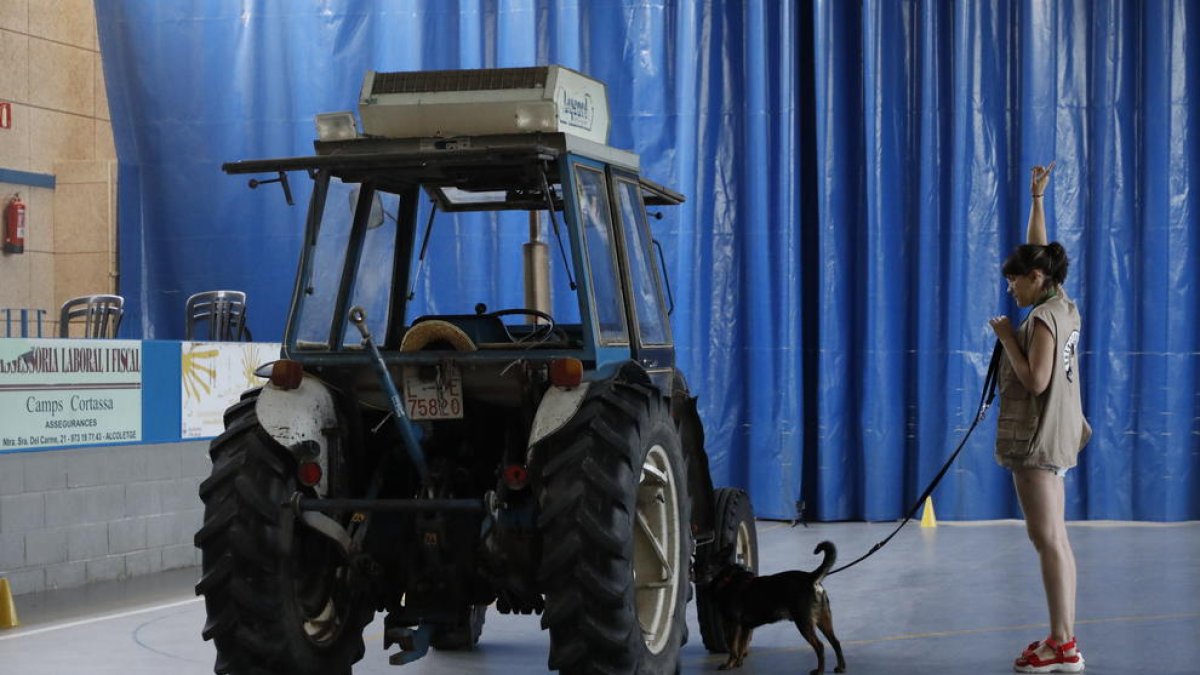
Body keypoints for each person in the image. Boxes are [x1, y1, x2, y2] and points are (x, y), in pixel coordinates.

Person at [988, 162, 1091, 673]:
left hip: (1036, 443)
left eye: (1014, 282)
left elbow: (1036, 381)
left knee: (1046, 539)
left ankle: (1062, 646)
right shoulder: (1062, 301)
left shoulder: (1044, 320)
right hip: (1059, 437)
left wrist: (1007, 337)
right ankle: (1063, 638)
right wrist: (1036, 202)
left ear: (1035, 281)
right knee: (1057, 537)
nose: (1011, 290)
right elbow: (1040, 253)